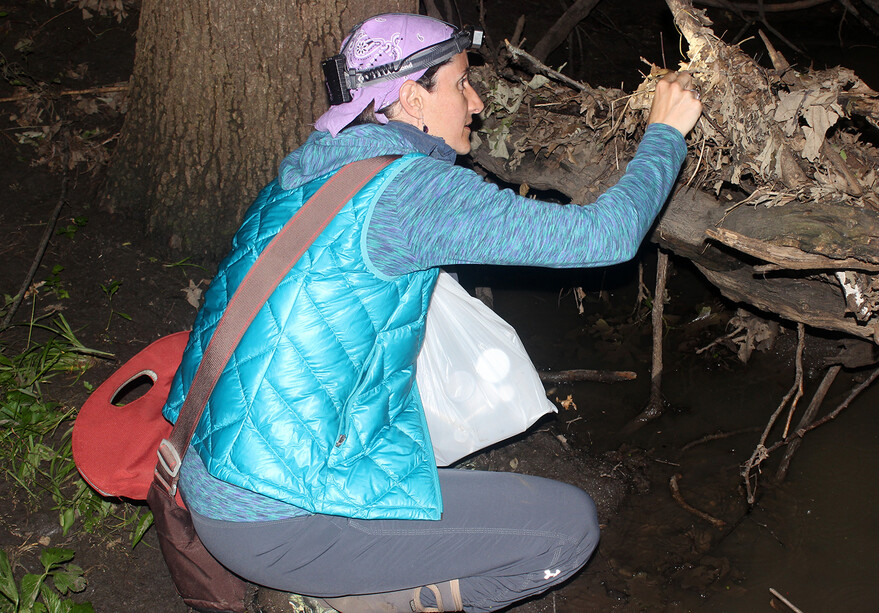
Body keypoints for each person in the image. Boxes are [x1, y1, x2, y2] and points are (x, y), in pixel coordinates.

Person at [161, 12, 702, 613]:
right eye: (461, 84)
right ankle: (335, 603)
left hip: (214, 472)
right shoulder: (411, 192)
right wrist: (665, 134)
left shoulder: (318, 168)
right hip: (279, 518)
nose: (475, 102)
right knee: (566, 528)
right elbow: (606, 237)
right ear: (413, 98)